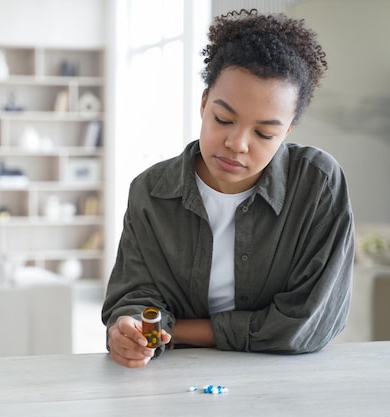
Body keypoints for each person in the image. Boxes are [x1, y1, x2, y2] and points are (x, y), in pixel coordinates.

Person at [102, 8, 354, 368]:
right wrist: (134, 335)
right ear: (204, 104)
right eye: (223, 119)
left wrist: (184, 332)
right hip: (177, 377)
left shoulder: (318, 185)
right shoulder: (150, 192)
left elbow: (306, 324)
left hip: (285, 378)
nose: (237, 144)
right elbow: (138, 301)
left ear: (288, 132)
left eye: (265, 133)